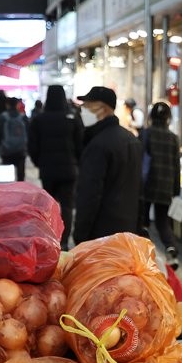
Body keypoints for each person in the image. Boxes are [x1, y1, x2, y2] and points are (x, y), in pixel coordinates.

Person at [73, 86, 143, 244]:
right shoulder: (131, 140)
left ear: (102, 110)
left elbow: (89, 194)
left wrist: (80, 235)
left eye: (86, 107)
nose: (82, 111)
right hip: (128, 231)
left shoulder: (97, 145)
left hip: (101, 233)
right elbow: (140, 190)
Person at [28, 85, 82, 249]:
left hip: (48, 170)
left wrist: (39, 162)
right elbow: (80, 145)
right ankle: (64, 241)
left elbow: (32, 146)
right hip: (69, 170)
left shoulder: (38, 119)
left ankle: (49, 239)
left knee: (48, 205)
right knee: (67, 205)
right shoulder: (72, 118)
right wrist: (76, 162)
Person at [140, 102, 182, 269]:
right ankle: (171, 249)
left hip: (147, 184)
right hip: (165, 186)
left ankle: (146, 254)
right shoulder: (173, 138)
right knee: (162, 221)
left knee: (142, 220)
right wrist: (175, 189)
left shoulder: (146, 134)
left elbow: (140, 159)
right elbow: (176, 166)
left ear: (151, 117)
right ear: (168, 118)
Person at [0, 97, 29, 181]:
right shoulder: (23, 118)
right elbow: (29, 134)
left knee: (6, 179)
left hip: (6, 151)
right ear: (17, 105)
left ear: (7, 105)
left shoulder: (2, 117)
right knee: (20, 178)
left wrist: (0, 149)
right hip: (21, 151)